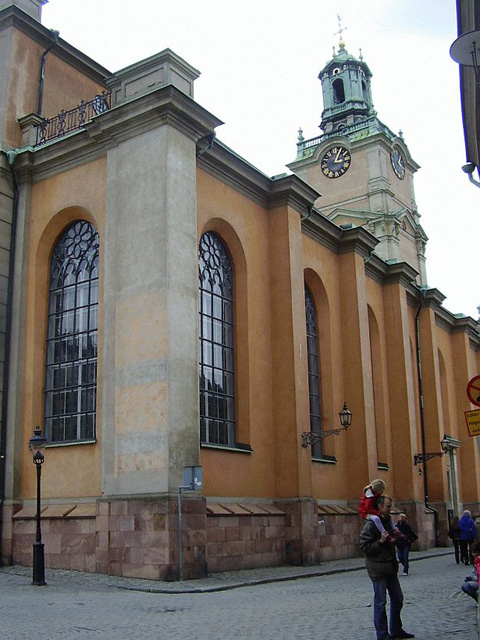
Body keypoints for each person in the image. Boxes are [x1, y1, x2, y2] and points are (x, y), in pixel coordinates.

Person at [360, 495, 415, 640]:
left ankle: (396, 629)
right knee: (380, 602)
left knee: (398, 598)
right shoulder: (371, 524)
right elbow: (364, 547)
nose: (390, 509)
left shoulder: (388, 522)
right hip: (377, 569)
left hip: (390, 567)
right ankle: (382, 635)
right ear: (380, 507)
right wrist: (380, 541)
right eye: (388, 506)